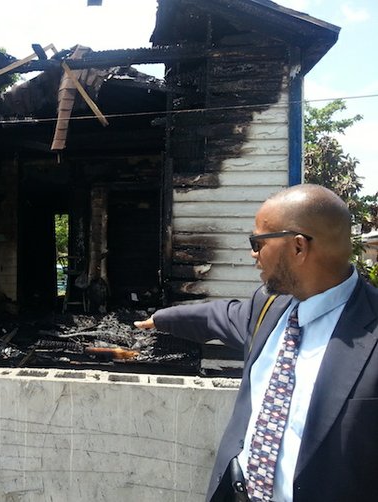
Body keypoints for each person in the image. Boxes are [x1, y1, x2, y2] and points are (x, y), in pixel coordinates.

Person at [135, 184, 378, 502]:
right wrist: (161, 318)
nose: (252, 254)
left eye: (257, 242)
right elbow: (217, 316)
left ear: (298, 247)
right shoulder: (267, 308)